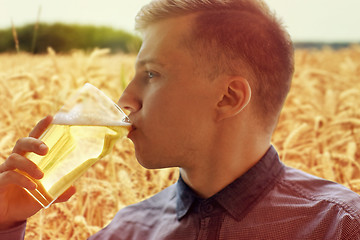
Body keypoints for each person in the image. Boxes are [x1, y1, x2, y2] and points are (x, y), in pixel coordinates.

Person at [1, 0, 360, 239]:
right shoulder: (127, 230)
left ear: (229, 97)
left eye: (152, 74)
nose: (125, 100)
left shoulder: (340, 226)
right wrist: (6, 221)